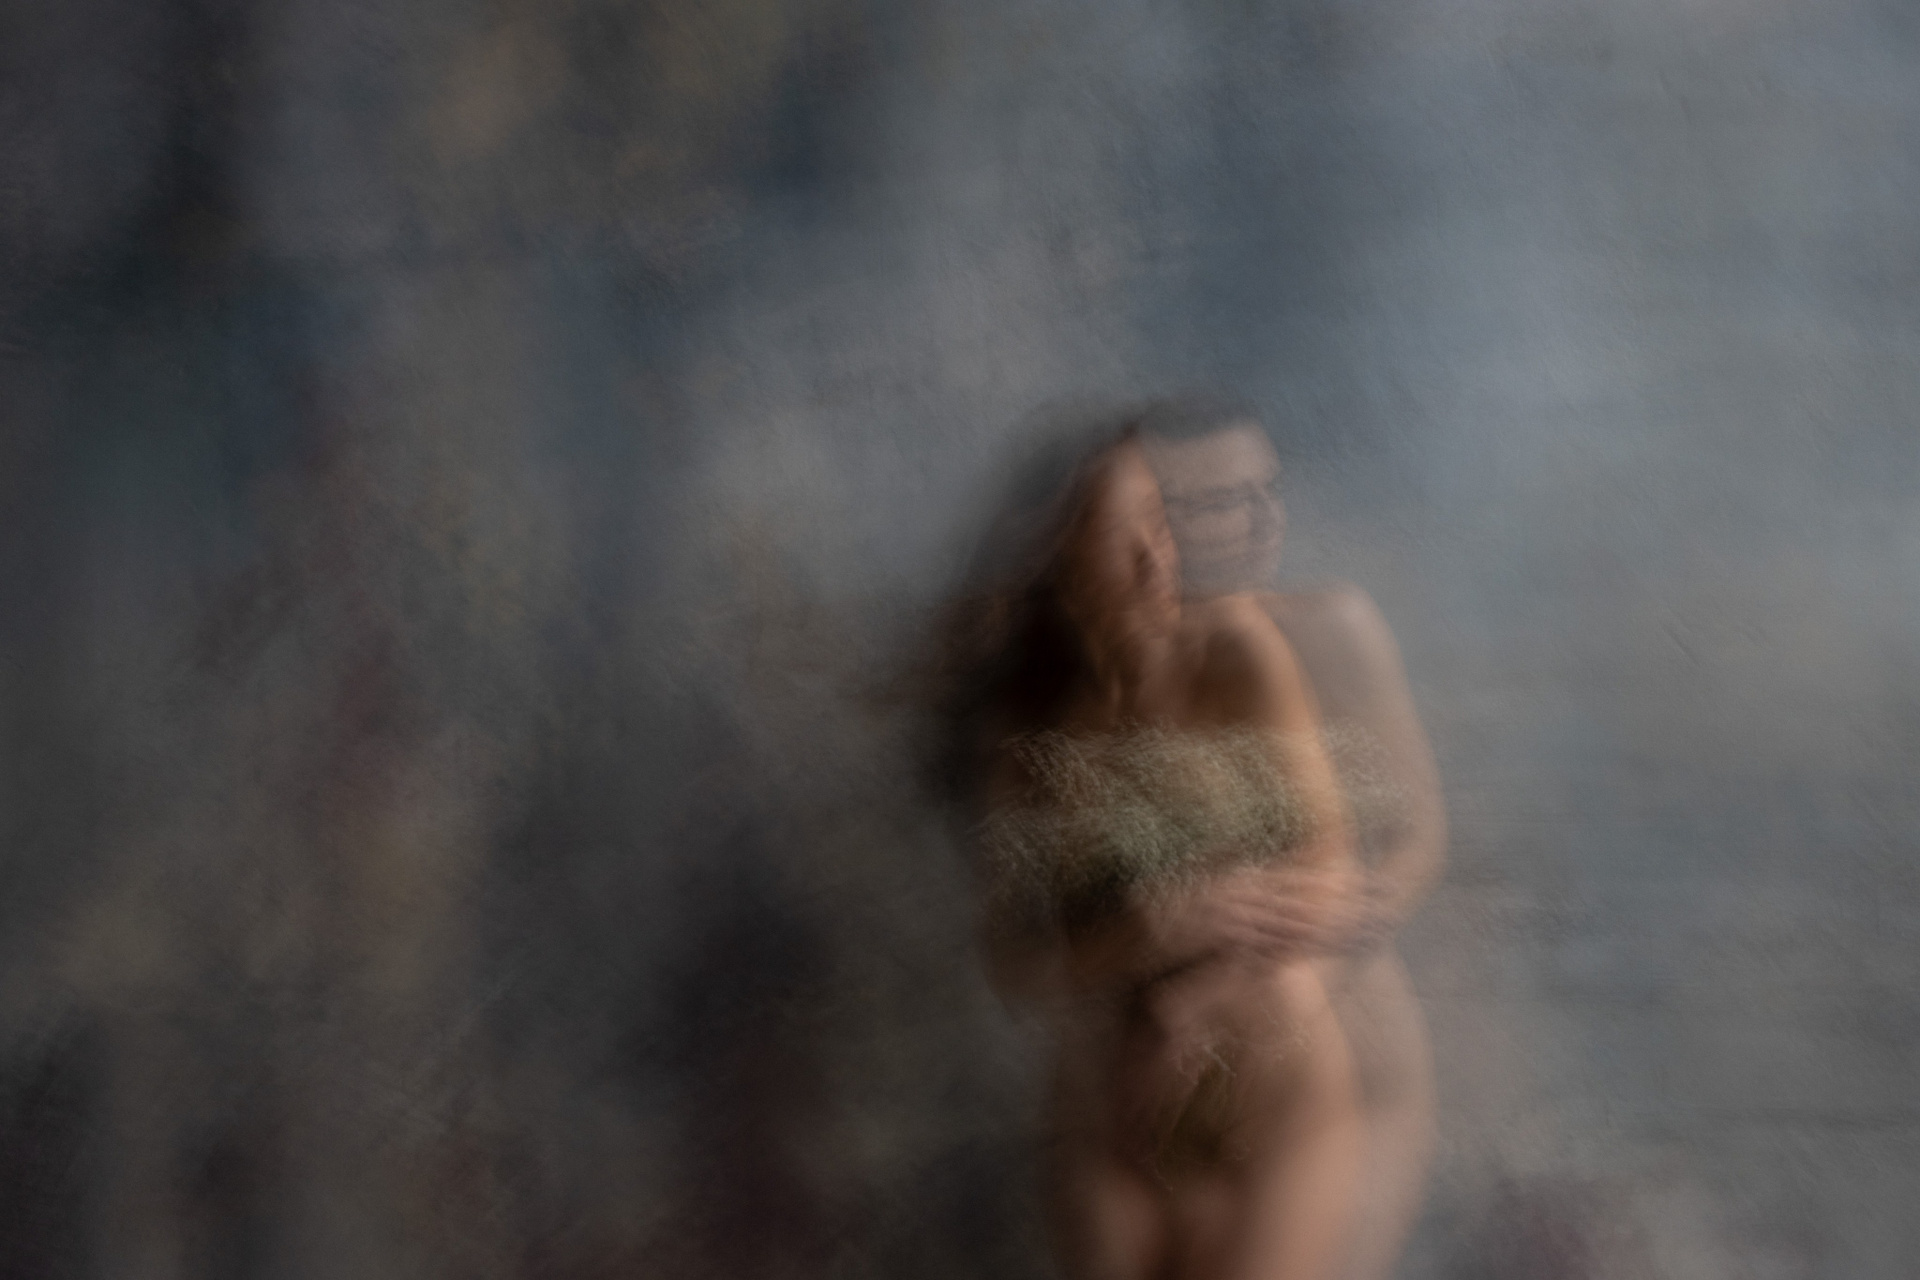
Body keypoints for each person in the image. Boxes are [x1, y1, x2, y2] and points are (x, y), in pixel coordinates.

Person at [940, 429, 1373, 1280]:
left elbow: (1331, 877)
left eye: (1160, 523)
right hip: (1114, 1109)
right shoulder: (1028, 724)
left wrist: (1191, 990)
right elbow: (1016, 962)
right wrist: (1153, 929)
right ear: (1057, 561)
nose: (1154, 558)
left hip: (1269, 1083)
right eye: (1118, 537)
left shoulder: (1235, 649)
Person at [1137, 399, 1446, 1280]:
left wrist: (1305, 961)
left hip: (1334, 1035)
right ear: (1142, 521)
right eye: (1218, 501)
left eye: (1266, 490)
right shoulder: (1102, 663)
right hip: (1162, 1053)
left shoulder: (1329, 625)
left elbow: (1417, 839)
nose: (1260, 520)